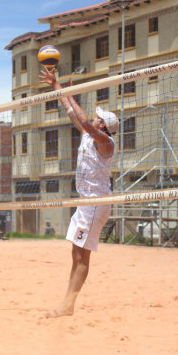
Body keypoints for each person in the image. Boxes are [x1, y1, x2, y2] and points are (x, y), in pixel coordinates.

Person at [39, 67, 118, 317]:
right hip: (86, 202)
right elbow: (71, 111)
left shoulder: (106, 142)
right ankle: (68, 302)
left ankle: (68, 304)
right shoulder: (87, 135)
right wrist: (58, 86)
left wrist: (73, 93)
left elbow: (84, 120)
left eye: (99, 118)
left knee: (82, 253)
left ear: (103, 125)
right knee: (76, 251)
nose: (95, 119)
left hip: (97, 203)